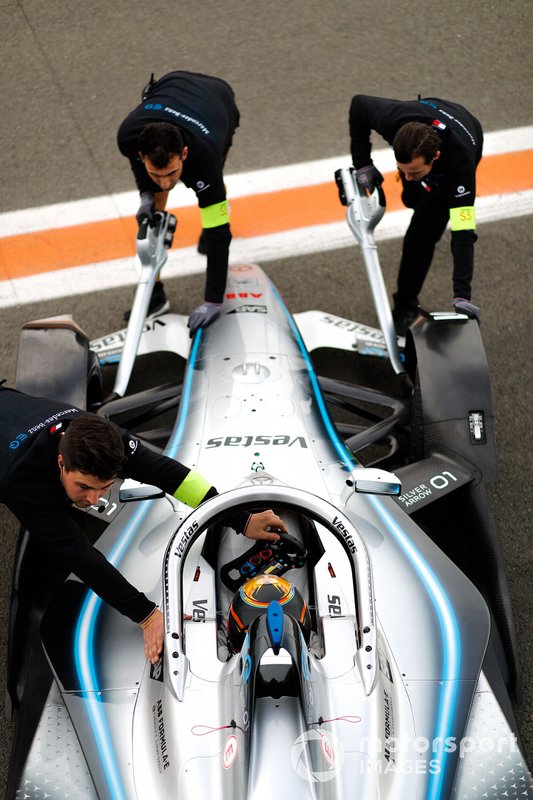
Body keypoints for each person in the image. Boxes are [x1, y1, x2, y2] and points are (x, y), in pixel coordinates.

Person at [0, 386, 286, 665]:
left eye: (104, 487)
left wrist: (241, 518)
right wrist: (147, 615)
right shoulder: (21, 480)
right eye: (84, 487)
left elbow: (173, 476)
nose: (94, 499)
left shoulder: (105, 441)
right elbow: (80, 556)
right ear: (61, 463)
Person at [348, 94, 483, 335]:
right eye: (403, 171)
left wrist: (462, 297)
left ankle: (405, 307)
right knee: (411, 196)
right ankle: (419, 187)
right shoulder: (393, 120)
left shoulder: (460, 170)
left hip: (468, 134)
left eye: (415, 171)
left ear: (435, 157)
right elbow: (358, 104)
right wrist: (363, 164)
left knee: (421, 235)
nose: (406, 177)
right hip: (429, 110)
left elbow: (463, 234)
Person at [117, 70, 240, 333]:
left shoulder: (203, 157)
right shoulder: (128, 137)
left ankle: (216, 204)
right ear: (141, 153)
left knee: (212, 201)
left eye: (172, 173)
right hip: (173, 83)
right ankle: (155, 294)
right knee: (154, 212)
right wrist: (146, 195)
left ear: (183, 153)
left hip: (218, 99)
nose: (165, 182)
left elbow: (221, 233)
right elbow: (140, 168)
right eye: (156, 174)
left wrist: (213, 301)